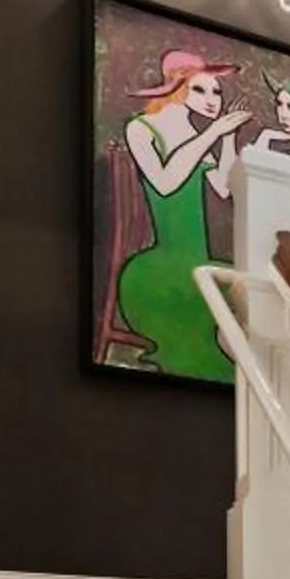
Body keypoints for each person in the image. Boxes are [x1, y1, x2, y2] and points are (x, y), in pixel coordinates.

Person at [109, 48, 250, 381]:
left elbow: (222, 187)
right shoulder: (142, 129)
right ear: (177, 87)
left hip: (201, 260)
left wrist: (227, 137)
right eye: (200, 89)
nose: (212, 98)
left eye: (216, 91)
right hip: (164, 266)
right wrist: (212, 134)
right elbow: (166, 183)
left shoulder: (195, 134)